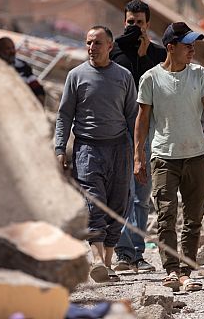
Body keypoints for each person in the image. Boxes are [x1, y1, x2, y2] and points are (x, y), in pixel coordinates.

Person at [134, 22, 204, 292]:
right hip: (163, 156)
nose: (192, 49)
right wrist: (139, 156)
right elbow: (142, 119)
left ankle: (187, 269)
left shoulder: (199, 75)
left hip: (196, 155)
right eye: (187, 45)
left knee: (194, 216)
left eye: (193, 44)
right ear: (170, 48)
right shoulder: (150, 78)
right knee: (166, 216)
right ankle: (172, 270)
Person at [54, 26, 137, 283]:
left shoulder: (123, 76)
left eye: (97, 43)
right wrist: (59, 147)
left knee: (118, 204)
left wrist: (138, 153)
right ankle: (97, 259)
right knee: (94, 203)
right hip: (87, 149)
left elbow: (133, 116)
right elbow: (64, 115)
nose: (92, 48)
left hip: (119, 148)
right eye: (89, 43)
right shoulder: (76, 76)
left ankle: (107, 262)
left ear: (110, 46)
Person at [111, 0, 167, 273]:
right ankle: (122, 253)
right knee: (121, 194)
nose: (134, 28)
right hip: (118, 133)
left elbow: (158, 89)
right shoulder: (112, 52)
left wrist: (144, 54)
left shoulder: (156, 55)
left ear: (148, 25)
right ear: (124, 22)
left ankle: (136, 251)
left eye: (139, 23)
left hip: (146, 133)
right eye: (130, 23)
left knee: (142, 195)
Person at [0, 37, 46, 104]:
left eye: (13, 48)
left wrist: (40, 97)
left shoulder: (23, 66)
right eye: (8, 49)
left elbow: (36, 86)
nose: (12, 51)